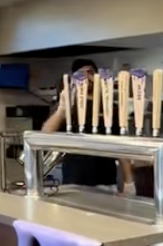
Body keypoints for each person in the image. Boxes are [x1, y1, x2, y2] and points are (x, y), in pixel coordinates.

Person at [42, 58, 135, 193]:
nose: (86, 77)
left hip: (106, 181)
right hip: (74, 181)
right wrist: (62, 109)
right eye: (81, 74)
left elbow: (121, 147)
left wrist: (129, 182)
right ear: (74, 80)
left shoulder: (110, 107)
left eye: (90, 72)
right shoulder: (68, 107)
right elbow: (45, 135)